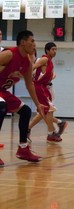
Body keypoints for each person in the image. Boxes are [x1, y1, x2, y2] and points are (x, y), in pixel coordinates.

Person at [0, 30, 46, 166]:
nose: (34, 44)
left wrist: (38, 104)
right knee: (1, 107)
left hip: (2, 91)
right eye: (32, 41)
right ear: (23, 42)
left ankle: (23, 148)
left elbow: (29, 85)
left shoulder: (27, 62)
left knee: (25, 111)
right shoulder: (8, 54)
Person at [27, 47, 67, 143]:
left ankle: (28, 129)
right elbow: (31, 70)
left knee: (46, 110)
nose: (55, 51)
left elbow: (51, 75)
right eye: (53, 49)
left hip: (46, 88)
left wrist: (51, 76)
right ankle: (53, 130)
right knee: (48, 109)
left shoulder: (45, 61)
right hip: (39, 87)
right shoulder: (42, 59)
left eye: (56, 49)